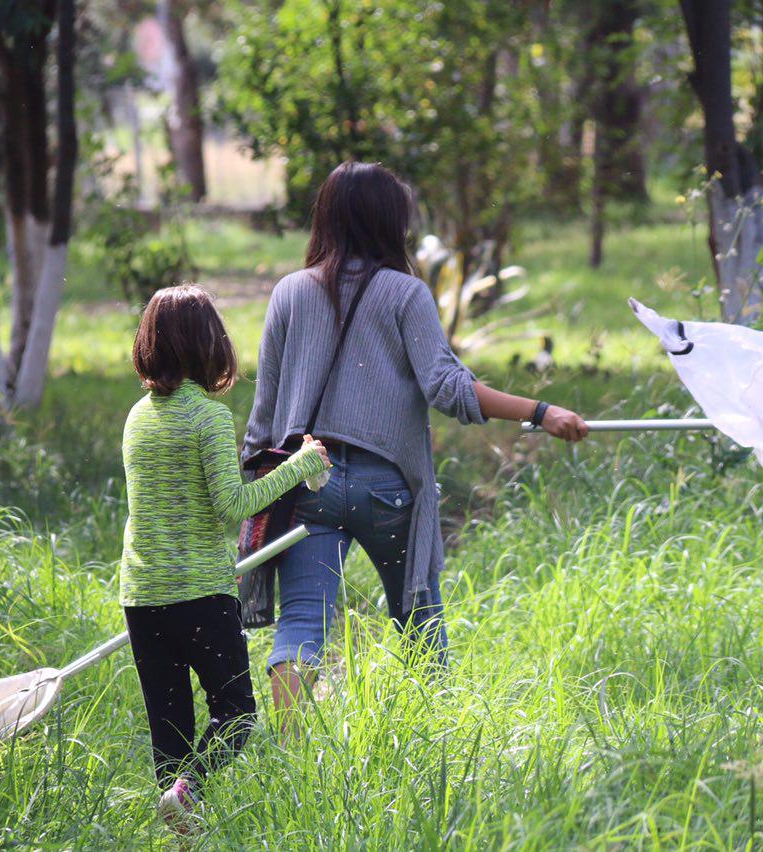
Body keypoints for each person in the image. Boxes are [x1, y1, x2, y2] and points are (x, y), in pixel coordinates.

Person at [241, 161, 588, 721]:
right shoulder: (406, 294)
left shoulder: (289, 293)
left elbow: (265, 415)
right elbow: (448, 387)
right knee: (421, 622)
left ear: (326, 217)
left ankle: (289, 761)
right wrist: (540, 411)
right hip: (387, 491)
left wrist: (255, 492)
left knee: (302, 628)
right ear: (388, 222)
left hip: (304, 481)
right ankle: (436, 742)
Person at [121, 285, 330, 829]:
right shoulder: (208, 418)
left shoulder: (137, 418)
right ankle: (190, 792)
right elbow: (231, 507)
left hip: (142, 596)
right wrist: (298, 465)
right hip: (200, 595)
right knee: (236, 713)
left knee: (169, 731)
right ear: (207, 345)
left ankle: (177, 824)